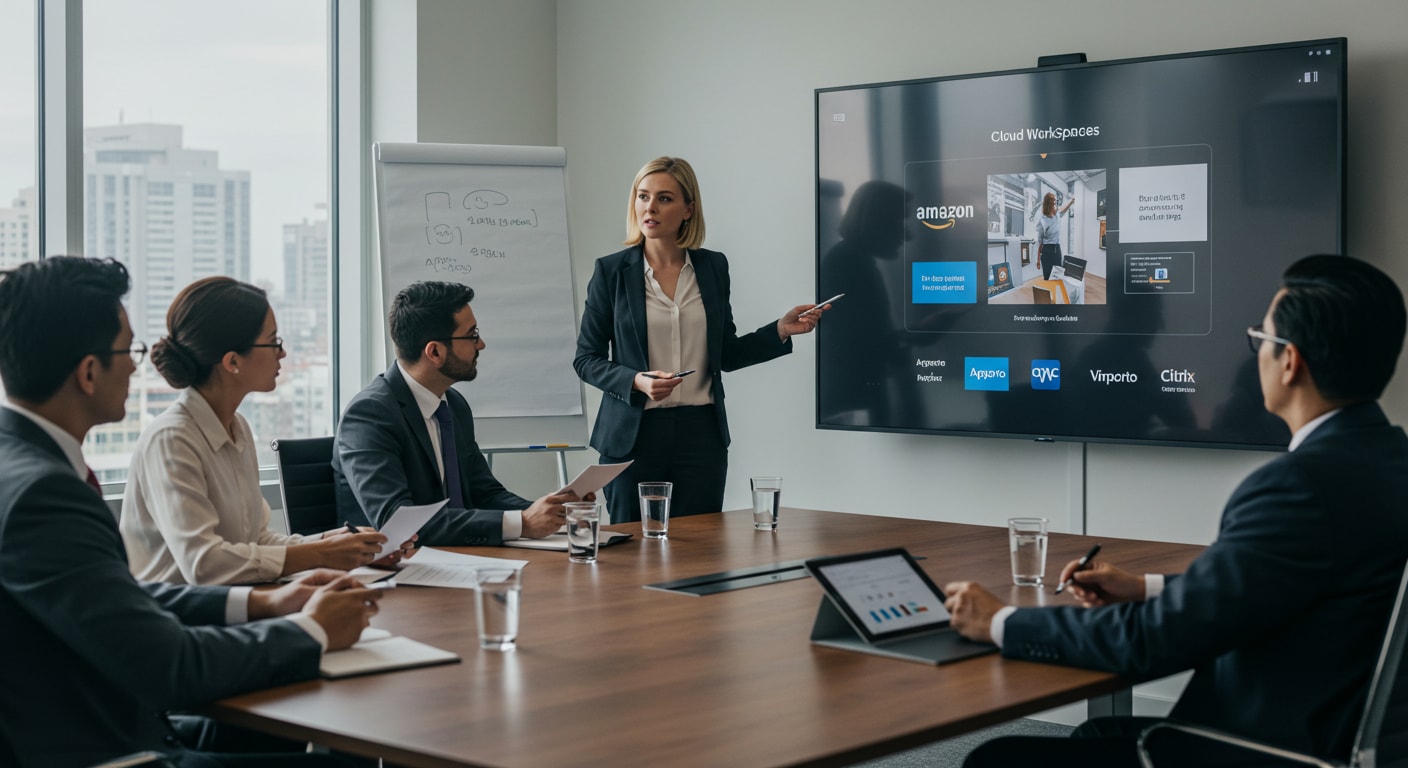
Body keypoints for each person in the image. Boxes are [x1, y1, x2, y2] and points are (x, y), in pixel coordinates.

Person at [943, 254, 1408, 767]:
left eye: (1262, 338)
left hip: (1262, 749)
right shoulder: (1390, 461)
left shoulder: (1297, 486)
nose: (1257, 353)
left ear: (1290, 361)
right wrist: (1146, 587)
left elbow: (1154, 641)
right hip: (1334, 730)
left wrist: (1002, 622)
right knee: (1097, 733)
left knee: (996, 759)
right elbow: (1284, 583)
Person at [0, 256, 382, 767]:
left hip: (128, 716)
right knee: (356, 759)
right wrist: (311, 631)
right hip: (117, 747)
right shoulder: (44, 495)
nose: (138, 364)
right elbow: (170, 665)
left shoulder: (22, 465)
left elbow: (123, 595)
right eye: (127, 350)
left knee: (307, 725)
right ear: (89, 372)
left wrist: (265, 605)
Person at [574, 156, 823, 523]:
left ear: (688, 209)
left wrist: (780, 331)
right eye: (643, 197)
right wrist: (637, 381)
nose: (650, 208)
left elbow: (726, 353)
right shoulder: (611, 271)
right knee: (633, 554)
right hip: (633, 434)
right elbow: (586, 358)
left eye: (664, 198)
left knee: (701, 551)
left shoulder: (712, 267)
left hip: (700, 435)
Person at [121, 277, 412, 585]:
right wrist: (323, 553)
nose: (282, 353)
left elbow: (257, 542)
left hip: (238, 605)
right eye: (273, 342)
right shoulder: (171, 439)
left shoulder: (238, 427)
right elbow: (204, 564)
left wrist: (339, 544)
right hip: (180, 620)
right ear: (233, 361)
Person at [333, 281, 583, 545]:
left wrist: (552, 512)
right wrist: (522, 523)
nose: (481, 344)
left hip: (459, 559)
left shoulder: (453, 405)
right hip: (392, 569)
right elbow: (398, 522)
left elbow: (484, 493)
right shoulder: (369, 415)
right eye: (472, 334)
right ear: (435, 352)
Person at [1036, 191, 1074, 280]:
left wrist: (1072, 201)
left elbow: (1064, 208)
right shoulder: (1042, 221)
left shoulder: (1057, 215)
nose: (1056, 206)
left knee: (1058, 274)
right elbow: (1040, 243)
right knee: (1048, 276)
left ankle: (1057, 293)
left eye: (1056, 203)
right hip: (1046, 251)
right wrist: (1037, 260)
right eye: (1054, 203)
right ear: (1048, 205)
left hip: (1057, 249)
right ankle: (1048, 293)